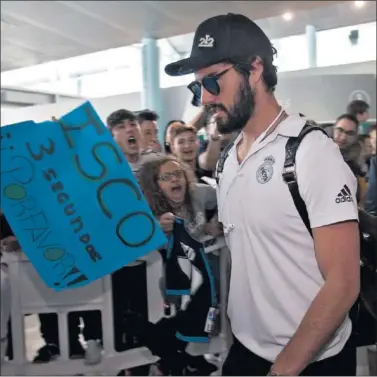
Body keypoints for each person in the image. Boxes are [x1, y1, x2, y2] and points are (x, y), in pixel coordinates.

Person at [165, 13, 360, 376]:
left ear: (254, 69)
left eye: (212, 81)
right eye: (197, 88)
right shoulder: (228, 160)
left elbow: (344, 281)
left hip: (311, 361)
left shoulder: (310, 152)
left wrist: (285, 368)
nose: (204, 98)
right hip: (246, 353)